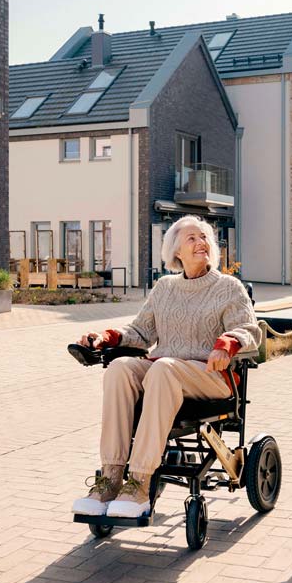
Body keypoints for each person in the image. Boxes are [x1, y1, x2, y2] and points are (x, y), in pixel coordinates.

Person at [72, 216, 260, 518]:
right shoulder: (164, 288)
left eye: (204, 238)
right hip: (167, 372)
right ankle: (110, 477)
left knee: (163, 369)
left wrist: (227, 343)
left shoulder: (229, 287)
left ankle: (140, 484)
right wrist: (107, 338)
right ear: (176, 252)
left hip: (211, 375)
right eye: (192, 239)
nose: (201, 243)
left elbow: (249, 331)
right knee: (119, 368)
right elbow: (141, 333)